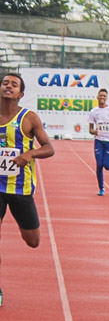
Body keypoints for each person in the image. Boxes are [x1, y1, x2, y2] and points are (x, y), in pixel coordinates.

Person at [0, 72, 55, 307]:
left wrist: (29, 154)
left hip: (21, 190)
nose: (8, 87)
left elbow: (49, 148)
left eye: (13, 85)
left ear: (20, 94)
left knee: (33, 241)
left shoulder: (28, 118)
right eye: (4, 83)